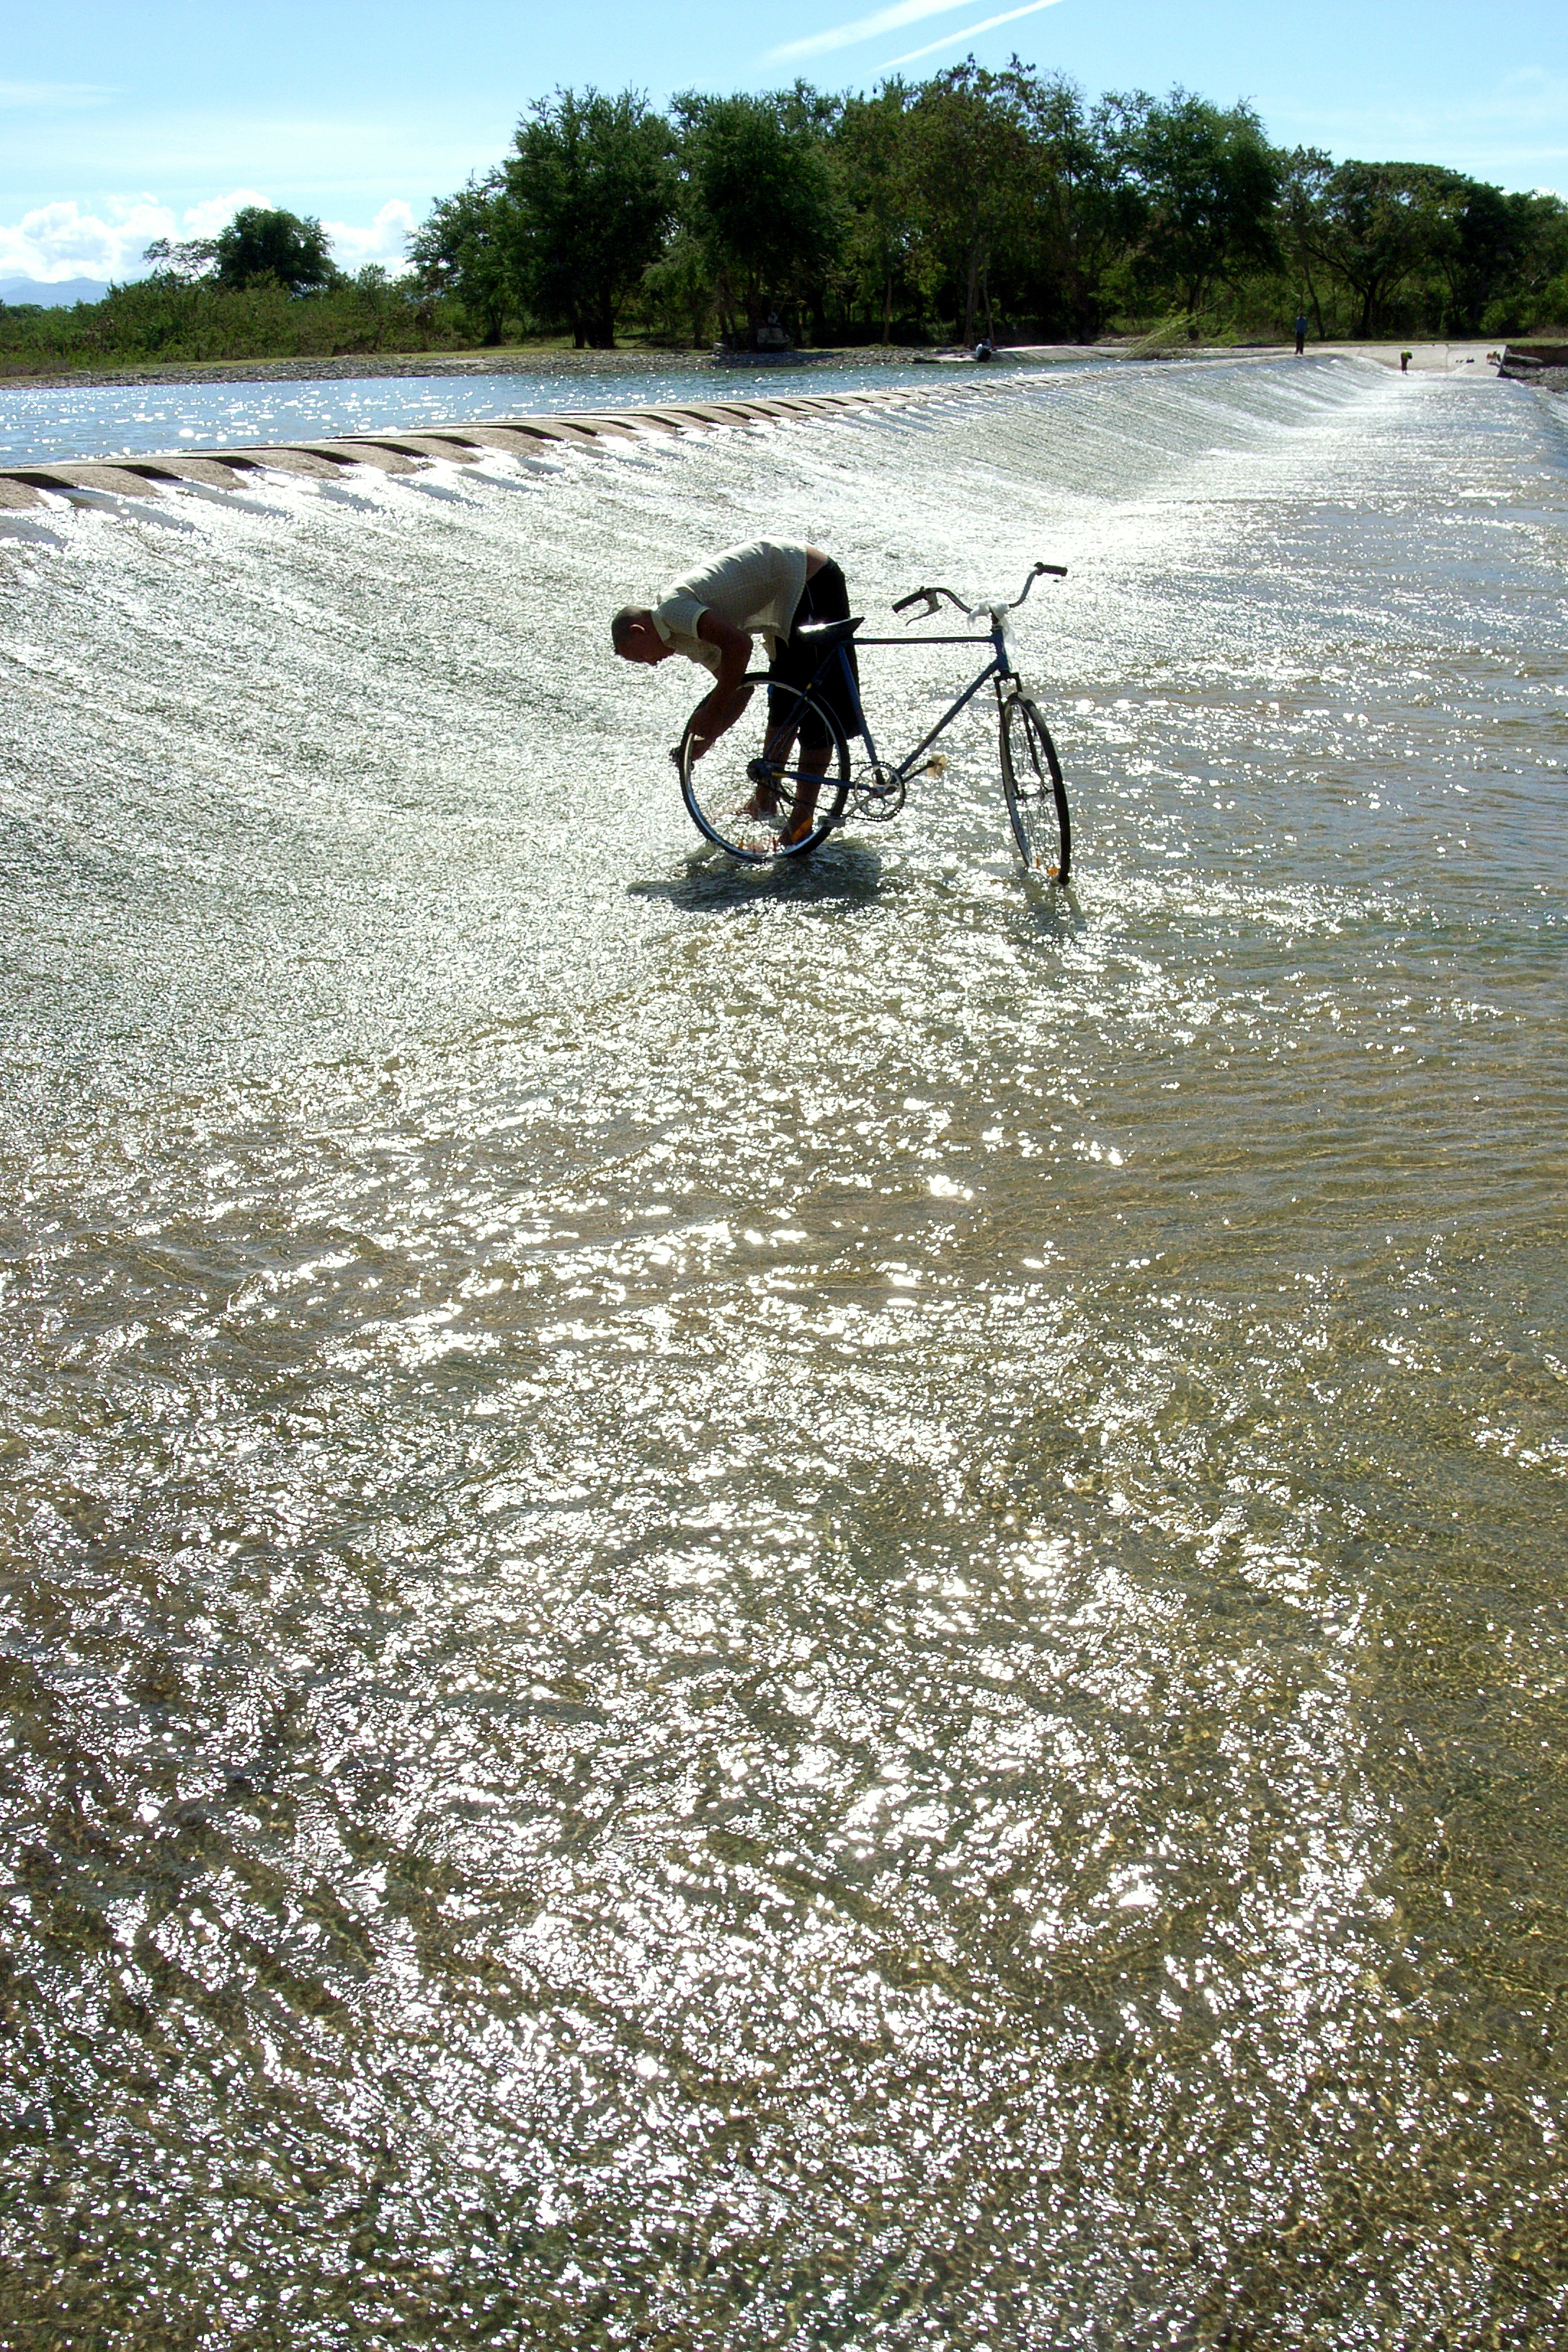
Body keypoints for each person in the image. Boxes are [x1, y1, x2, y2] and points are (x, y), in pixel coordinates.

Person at [612, 540, 860, 847]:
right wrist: (706, 739)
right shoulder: (683, 637)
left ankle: (801, 824)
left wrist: (712, 712)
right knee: (784, 700)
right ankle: (764, 801)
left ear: (639, 631)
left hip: (807, 579)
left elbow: (741, 647)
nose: (650, 664)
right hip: (784, 595)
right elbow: (738, 689)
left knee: (813, 709)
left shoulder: (674, 611)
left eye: (639, 657)